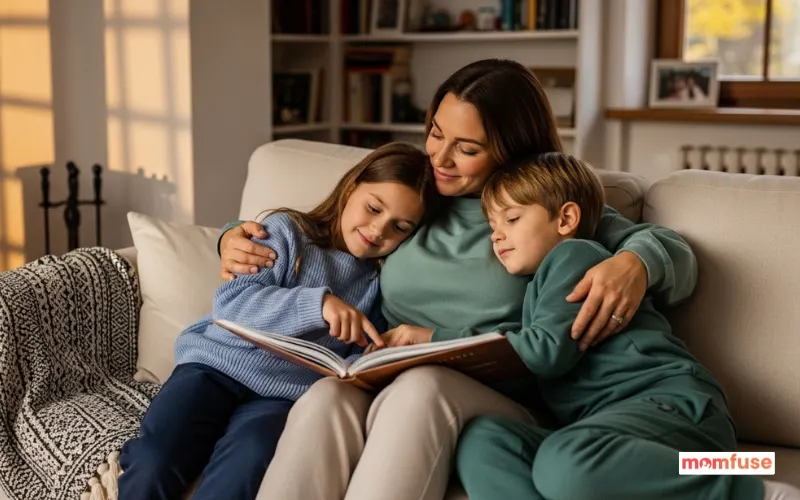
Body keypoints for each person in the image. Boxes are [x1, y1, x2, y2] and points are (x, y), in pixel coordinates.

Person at [219, 59, 699, 500]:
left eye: (466, 148)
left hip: (494, 397)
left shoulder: (532, 209)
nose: (439, 158)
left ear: (511, 150)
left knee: (422, 389)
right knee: (326, 398)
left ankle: (735, 477)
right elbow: (328, 231)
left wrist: (635, 263)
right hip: (387, 374)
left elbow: (675, 253)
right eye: (435, 133)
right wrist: (234, 240)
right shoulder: (415, 197)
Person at [456, 152, 800, 500]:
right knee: (484, 438)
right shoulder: (536, 294)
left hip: (679, 410)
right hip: (618, 432)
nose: (496, 236)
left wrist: (435, 343)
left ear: (566, 218)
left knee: (564, 460)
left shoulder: (574, 256)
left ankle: (756, 492)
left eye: (511, 219)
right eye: (492, 226)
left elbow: (543, 354)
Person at [117, 143, 438, 500]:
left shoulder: (378, 285)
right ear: (351, 189)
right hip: (213, 368)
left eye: (400, 227)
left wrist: (362, 364)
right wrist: (319, 304)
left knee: (245, 467)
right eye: (374, 208)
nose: (378, 230)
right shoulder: (287, 231)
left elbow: (355, 359)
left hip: (281, 398)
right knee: (155, 460)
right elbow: (233, 305)